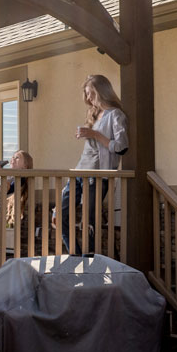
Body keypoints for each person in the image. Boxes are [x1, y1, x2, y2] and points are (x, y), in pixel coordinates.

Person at [59, 74, 129, 254]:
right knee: (60, 215)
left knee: (89, 221)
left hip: (97, 176)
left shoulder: (116, 114)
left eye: (91, 93)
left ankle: (89, 262)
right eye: (86, 95)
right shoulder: (94, 114)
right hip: (79, 172)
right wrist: (87, 134)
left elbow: (121, 147)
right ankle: (76, 255)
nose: (88, 98)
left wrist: (95, 135)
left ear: (102, 92)